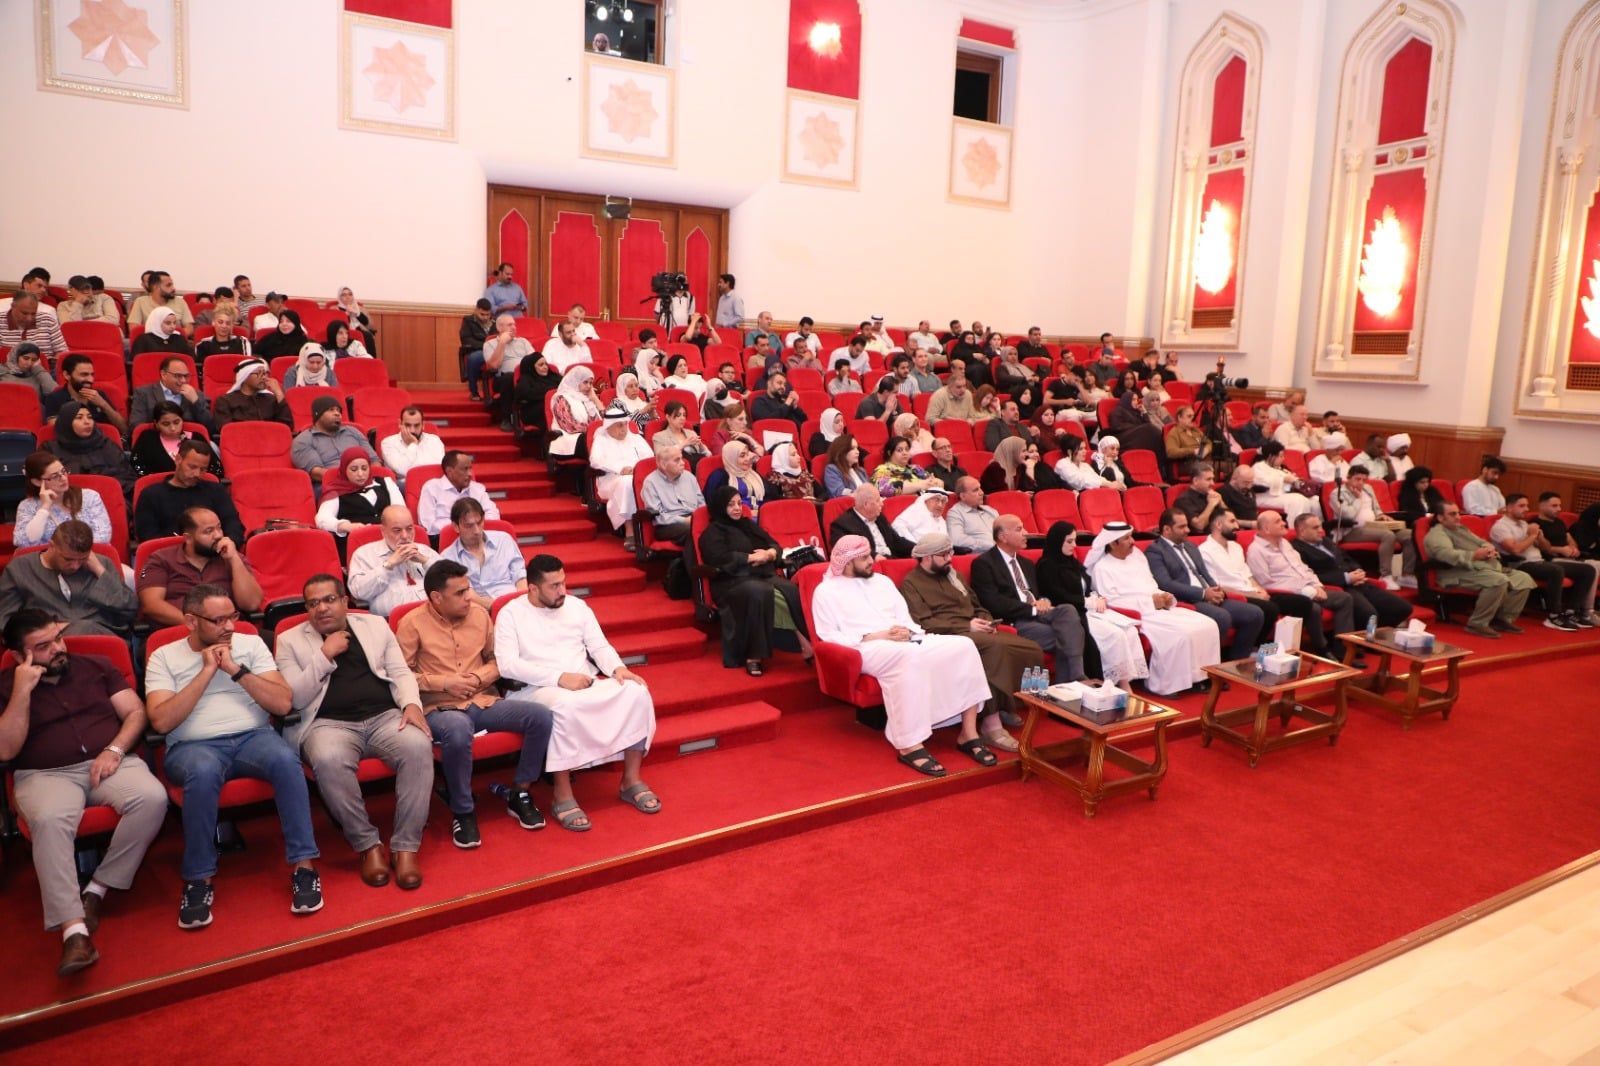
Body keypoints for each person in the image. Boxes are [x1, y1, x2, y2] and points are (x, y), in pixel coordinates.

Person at [0, 608, 167, 977]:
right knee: (49, 820)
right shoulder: (5, 686)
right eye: (43, 646)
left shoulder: (97, 666)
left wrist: (115, 749)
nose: (58, 649)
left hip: (109, 763)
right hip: (44, 774)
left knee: (153, 798)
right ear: (16, 655)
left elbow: (135, 713)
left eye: (58, 638)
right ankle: (74, 931)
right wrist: (22, 691)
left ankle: (98, 888)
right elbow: (6, 749)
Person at [144, 586, 318, 928]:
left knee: (286, 761)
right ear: (191, 622)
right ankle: (199, 879)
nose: (229, 626)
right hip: (193, 746)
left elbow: (282, 703)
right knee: (203, 772)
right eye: (218, 620)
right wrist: (207, 671)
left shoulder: (250, 644)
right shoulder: (164, 657)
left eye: (232, 617)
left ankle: (304, 867)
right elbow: (161, 721)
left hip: (254, 736)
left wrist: (235, 670)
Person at [275, 574, 433, 889]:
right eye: (313, 603)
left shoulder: (374, 625)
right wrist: (324, 656)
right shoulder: (289, 640)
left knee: (418, 746)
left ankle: (405, 846)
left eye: (329, 599)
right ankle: (367, 845)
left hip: (384, 716)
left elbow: (400, 672)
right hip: (326, 723)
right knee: (329, 760)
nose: (321, 608)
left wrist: (411, 704)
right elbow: (295, 698)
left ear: (345, 601)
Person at [495, 555, 660, 831]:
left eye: (563, 583)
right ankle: (562, 794)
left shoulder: (577, 606)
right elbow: (508, 665)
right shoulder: (510, 614)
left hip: (583, 681)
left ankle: (630, 780)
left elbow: (599, 646)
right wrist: (559, 678)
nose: (563, 591)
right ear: (532, 588)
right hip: (536, 689)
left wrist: (618, 669)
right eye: (554, 586)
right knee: (564, 706)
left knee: (636, 692)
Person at [396, 560, 554, 847]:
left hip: (482, 700)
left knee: (540, 716)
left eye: (468, 589)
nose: (469, 597)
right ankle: (463, 810)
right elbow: (400, 675)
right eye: (460, 593)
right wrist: (445, 682)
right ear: (436, 597)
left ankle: (519, 790)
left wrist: (479, 677)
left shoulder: (480, 615)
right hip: (439, 707)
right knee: (457, 729)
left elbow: (498, 660)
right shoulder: (411, 623)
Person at [810, 536, 996, 775]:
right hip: (864, 648)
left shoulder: (883, 582)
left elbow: (905, 619)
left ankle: (968, 733)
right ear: (847, 562)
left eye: (870, 555)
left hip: (904, 639)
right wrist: (879, 636)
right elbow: (829, 636)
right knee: (908, 657)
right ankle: (909, 744)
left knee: (963, 646)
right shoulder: (825, 592)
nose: (871, 561)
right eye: (864, 558)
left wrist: (906, 631)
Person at [900, 531, 1039, 749]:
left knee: (1030, 648)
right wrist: (967, 626)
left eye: (950, 553)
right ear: (927, 557)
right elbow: (924, 622)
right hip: (949, 635)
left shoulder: (952, 575)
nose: (950, 559)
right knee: (994, 649)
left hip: (975, 628)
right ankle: (991, 724)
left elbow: (977, 605)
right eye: (944, 555)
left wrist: (986, 621)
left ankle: (1006, 703)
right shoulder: (911, 583)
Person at [1086, 522, 1221, 695]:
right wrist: (1150, 603)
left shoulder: (1137, 557)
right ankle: (1167, 685)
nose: (1133, 541)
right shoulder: (1102, 568)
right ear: (1113, 543)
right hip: (1138, 616)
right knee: (1180, 634)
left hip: (1160, 608)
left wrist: (1164, 597)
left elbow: (1152, 585)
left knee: (1208, 624)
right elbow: (1113, 602)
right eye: (1126, 538)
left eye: (1131, 536)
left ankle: (1203, 677)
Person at [697, 486, 811, 675]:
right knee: (761, 592)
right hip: (731, 582)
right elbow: (717, 558)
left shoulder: (747, 525)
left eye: (739, 503)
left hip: (762, 575)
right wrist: (749, 558)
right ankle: (754, 655)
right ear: (720, 506)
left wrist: (770, 553)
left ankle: (804, 642)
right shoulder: (713, 532)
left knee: (791, 590)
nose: (737, 508)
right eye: (731, 504)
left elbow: (774, 544)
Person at [969, 514, 1090, 684]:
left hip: (1038, 612)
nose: (1026, 533)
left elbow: (1037, 594)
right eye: (1019, 529)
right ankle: (1071, 682)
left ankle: (1072, 680)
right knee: (1068, 634)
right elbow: (993, 602)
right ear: (1003, 537)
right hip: (1016, 619)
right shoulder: (984, 563)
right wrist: (1031, 609)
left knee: (1068, 610)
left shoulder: (1026, 563)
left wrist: (1044, 601)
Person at [1035, 521, 1150, 689]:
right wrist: (1088, 602)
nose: (1074, 545)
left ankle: (1123, 684)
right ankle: (1120, 686)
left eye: (1075, 540)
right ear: (1057, 541)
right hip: (1072, 616)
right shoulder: (1046, 566)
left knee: (1130, 631)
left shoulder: (1072, 562)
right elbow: (1058, 596)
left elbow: (1086, 586)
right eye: (1069, 541)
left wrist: (1097, 597)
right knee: (1115, 635)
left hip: (1089, 610)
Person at [1145, 509, 1265, 659]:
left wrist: (1215, 589)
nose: (1188, 530)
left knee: (1255, 614)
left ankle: (1236, 662)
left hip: (1207, 594)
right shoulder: (1155, 551)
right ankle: (1208, 665)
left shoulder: (1190, 546)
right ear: (1167, 529)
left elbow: (1204, 573)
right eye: (1181, 527)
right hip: (1187, 600)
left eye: (1187, 525)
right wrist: (1202, 594)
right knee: (1222, 617)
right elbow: (1166, 584)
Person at [0, 515, 136, 636]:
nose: (75, 566)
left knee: (85, 628)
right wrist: (46, 631)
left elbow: (130, 609)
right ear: (52, 546)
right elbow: (4, 621)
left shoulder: (101, 564)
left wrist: (100, 571)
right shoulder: (20, 569)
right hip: (46, 643)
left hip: (99, 637)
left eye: (82, 559)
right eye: (68, 559)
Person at [1246, 510, 1357, 656]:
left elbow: (1303, 568)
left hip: (1309, 587)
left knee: (1345, 598)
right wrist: (1303, 590)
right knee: (1312, 607)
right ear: (1266, 528)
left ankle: (1343, 651)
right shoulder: (1256, 551)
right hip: (1287, 595)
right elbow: (1265, 584)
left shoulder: (1285, 543)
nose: (1284, 523)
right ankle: (1322, 649)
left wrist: (1316, 585)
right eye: (1278, 521)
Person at [1423, 503, 1536, 638]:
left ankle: (1501, 619)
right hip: (1456, 572)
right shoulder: (1437, 534)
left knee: (1524, 578)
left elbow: (1482, 542)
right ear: (1440, 518)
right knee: (1499, 580)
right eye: (1452, 514)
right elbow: (1446, 555)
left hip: (1484, 568)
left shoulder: (1460, 529)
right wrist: (1475, 555)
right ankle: (1477, 623)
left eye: (1458, 513)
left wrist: (1489, 549)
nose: (1458, 517)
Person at [137, 507, 263, 626]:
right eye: (209, 531)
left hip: (228, 630)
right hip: (179, 631)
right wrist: (198, 626)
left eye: (219, 528)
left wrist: (234, 558)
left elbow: (251, 604)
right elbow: (152, 605)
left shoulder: (232, 557)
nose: (218, 535)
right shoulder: (161, 559)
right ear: (188, 538)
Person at [1490, 493, 1597, 631]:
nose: (1526, 509)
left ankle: (1572, 612)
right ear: (1509, 508)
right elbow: (1515, 550)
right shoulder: (1501, 527)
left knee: (1587, 570)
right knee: (1555, 570)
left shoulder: (1524, 524)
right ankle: (1554, 615)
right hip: (1520, 564)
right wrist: (1532, 535)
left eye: (1527, 505)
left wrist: (1540, 538)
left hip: (1540, 561)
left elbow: (1547, 549)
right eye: (1521, 506)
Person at [1293, 513, 1414, 630]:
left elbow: (1346, 557)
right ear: (1302, 531)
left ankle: (1374, 634)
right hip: (1338, 587)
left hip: (1358, 582)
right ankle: (1362, 639)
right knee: (1369, 614)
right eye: (1315, 528)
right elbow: (1311, 577)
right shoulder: (1296, 550)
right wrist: (1347, 578)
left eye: (1320, 526)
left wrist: (1358, 571)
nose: (1321, 530)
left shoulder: (1325, 541)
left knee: (1403, 608)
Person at [348, 505, 441, 617]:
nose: (405, 536)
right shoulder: (364, 554)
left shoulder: (425, 551)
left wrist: (425, 561)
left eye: (409, 529)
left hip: (434, 617)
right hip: (391, 621)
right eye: (397, 530)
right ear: (383, 531)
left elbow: (451, 582)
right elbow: (358, 592)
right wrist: (388, 565)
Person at [1327, 466, 1413, 584]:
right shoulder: (1337, 493)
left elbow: (1376, 508)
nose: (1361, 483)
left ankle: (1407, 574)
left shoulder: (1368, 488)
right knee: (1388, 535)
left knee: (1409, 534)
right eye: (1357, 479)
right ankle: (1386, 576)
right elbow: (1347, 515)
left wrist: (1381, 516)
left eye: (1364, 480)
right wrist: (1357, 499)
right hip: (1352, 530)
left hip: (1374, 526)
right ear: (1348, 478)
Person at [14, 452, 114, 548]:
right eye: (55, 476)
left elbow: (103, 536)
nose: (63, 478)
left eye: (63, 471)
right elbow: (24, 543)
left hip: (91, 556)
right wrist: (44, 509)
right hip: (50, 560)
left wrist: (70, 551)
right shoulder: (27, 507)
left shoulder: (89, 497)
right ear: (37, 482)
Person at [438, 497, 525, 604]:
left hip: (515, 602)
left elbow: (521, 577)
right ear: (456, 526)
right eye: (469, 526)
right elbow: (467, 595)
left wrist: (522, 603)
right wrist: (497, 606)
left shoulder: (504, 540)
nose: (477, 531)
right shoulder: (448, 558)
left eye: (479, 523)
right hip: (478, 608)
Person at [590, 404, 653, 548]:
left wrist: (638, 470)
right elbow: (595, 461)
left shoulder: (636, 438)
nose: (624, 429)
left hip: (638, 476)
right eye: (619, 425)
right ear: (609, 426)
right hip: (611, 479)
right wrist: (620, 469)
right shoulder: (601, 440)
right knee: (626, 483)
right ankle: (630, 532)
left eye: (625, 424)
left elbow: (650, 458)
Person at [1533, 493, 1599, 624]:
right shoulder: (1535, 523)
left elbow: (1569, 538)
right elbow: (1544, 548)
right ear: (1542, 506)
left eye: (1559, 505)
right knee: (1590, 568)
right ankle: (1586, 611)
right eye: (1554, 506)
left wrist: (1573, 548)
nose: (1559, 509)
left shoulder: (1559, 522)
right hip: (1550, 560)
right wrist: (1561, 550)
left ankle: (1573, 611)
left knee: (1594, 565)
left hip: (1568, 558)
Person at [45, 401, 135, 495]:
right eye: (79, 417)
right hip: (66, 498)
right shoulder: (50, 449)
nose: (87, 422)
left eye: (90, 417)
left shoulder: (107, 445)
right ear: (66, 421)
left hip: (109, 497)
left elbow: (127, 478)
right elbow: (45, 482)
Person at [314, 447, 401, 536]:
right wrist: (347, 526)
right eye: (354, 469)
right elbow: (322, 519)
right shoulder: (335, 491)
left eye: (364, 468)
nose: (360, 474)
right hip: (356, 539)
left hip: (389, 537)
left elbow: (401, 511)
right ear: (344, 470)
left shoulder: (386, 482)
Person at [292, 395, 376, 486]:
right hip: (330, 485)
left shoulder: (353, 431)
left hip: (364, 480)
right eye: (331, 410)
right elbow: (317, 473)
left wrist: (365, 477)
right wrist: (351, 478)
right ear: (318, 415)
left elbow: (374, 460)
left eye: (338, 410)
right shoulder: (303, 440)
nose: (337, 413)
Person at [417, 450, 501, 537]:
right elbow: (428, 525)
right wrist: (463, 527)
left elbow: (493, 513)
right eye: (464, 469)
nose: (470, 474)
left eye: (470, 468)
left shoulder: (477, 488)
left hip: (477, 535)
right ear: (449, 471)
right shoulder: (431, 488)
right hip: (442, 538)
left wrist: (475, 526)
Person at [44, 353, 129, 435]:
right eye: (84, 375)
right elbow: (55, 430)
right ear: (67, 375)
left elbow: (124, 429)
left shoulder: (99, 395)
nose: (90, 379)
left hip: (104, 442)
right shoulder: (54, 398)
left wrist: (103, 405)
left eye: (92, 375)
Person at [639, 445, 702, 547]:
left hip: (693, 518)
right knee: (692, 530)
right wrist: (685, 520)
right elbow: (658, 516)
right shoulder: (651, 482)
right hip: (668, 525)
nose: (683, 463)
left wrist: (699, 518)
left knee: (718, 526)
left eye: (682, 458)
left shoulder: (689, 477)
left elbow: (701, 503)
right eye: (677, 460)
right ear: (663, 464)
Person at [130, 354, 213, 430]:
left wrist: (195, 402)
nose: (183, 380)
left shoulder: (196, 395)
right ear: (163, 375)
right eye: (178, 376)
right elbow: (136, 426)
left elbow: (210, 428)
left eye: (186, 376)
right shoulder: (144, 393)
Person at [831, 483, 913, 559]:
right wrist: (874, 556)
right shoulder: (842, 525)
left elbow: (896, 540)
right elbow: (850, 551)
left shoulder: (879, 516)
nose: (882, 504)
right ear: (866, 504)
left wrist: (915, 549)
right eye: (877, 500)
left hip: (892, 559)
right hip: (872, 564)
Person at [482, 315, 534, 430]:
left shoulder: (523, 341)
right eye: (510, 325)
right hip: (503, 378)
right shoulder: (489, 344)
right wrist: (502, 343)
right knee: (509, 377)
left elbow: (534, 361)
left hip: (525, 376)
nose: (514, 327)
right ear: (499, 328)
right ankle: (506, 418)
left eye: (514, 324)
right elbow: (493, 366)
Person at [212, 359, 292, 428]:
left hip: (270, 439)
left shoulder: (271, 399)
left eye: (264, 373)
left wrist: (278, 393)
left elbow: (287, 427)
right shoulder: (225, 401)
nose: (264, 377)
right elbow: (226, 430)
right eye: (258, 373)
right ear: (244, 376)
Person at [1251, 441, 1318, 523]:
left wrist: (1294, 482)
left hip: (1281, 495)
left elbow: (1290, 483)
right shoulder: (1258, 467)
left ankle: (1315, 526)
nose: (1283, 459)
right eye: (1281, 456)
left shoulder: (1280, 468)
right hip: (1265, 496)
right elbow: (1261, 483)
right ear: (1270, 456)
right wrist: (1283, 479)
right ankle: (1297, 528)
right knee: (1297, 500)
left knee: (1315, 500)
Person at [704, 437, 773, 516]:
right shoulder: (719, 476)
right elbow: (716, 506)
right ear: (732, 458)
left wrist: (762, 512)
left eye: (747, 454)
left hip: (761, 516)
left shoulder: (754, 474)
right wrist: (747, 513)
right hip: (737, 519)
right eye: (742, 456)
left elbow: (771, 497)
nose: (747, 459)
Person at [379, 406, 445, 488]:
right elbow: (402, 470)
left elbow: (438, 467)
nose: (412, 430)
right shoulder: (388, 443)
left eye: (416, 425)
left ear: (423, 425)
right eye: (408, 425)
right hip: (405, 485)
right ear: (400, 424)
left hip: (432, 483)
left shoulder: (434, 440)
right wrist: (413, 444)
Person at [549, 365, 601, 458]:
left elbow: (599, 422)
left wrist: (595, 399)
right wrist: (592, 430)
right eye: (585, 382)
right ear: (575, 381)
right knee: (596, 441)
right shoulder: (561, 398)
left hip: (585, 436)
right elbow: (570, 427)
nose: (589, 386)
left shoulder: (585, 399)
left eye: (590, 383)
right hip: (568, 439)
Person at [0, 292, 69, 360]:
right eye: (24, 313)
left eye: (33, 314)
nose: (29, 318)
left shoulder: (47, 319)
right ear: (13, 306)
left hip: (46, 365)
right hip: (8, 366)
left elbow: (62, 351)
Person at [946, 476, 999, 554]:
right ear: (963, 496)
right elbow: (957, 539)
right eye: (975, 490)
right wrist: (990, 545)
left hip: (1002, 552)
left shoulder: (990, 510)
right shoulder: (955, 513)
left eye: (980, 488)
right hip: (982, 555)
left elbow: (1003, 530)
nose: (982, 493)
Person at [652, 399, 710, 468]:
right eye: (678, 415)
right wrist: (684, 444)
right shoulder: (659, 436)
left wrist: (701, 446)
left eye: (684, 415)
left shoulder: (691, 433)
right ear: (668, 417)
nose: (682, 418)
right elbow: (660, 456)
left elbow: (708, 455)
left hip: (697, 467)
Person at [515, 352, 563, 432]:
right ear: (532, 367)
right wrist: (550, 392)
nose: (545, 367)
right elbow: (526, 394)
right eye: (541, 365)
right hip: (533, 411)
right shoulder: (526, 379)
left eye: (546, 364)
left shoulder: (553, 376)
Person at [1164, 405, 1212, 478]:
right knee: (1216, 466)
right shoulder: (1174, 433)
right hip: (1186, 464)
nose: (1193, 419)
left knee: (1226, 464)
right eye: (1189, 416)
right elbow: (1171, 452)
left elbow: (1208, 442)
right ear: (1179, 417)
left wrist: (1207, 449)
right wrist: (1193, 451)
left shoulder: (1196, 430)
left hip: (1204, 460)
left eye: (1193, 416)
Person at [56, 274, 121, 328]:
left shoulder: (104, 298)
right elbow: (70, 328)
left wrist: (82, 324)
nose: (89, 294)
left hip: (104, 333)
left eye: (89, 289)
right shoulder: (63, 306)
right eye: (82, 291)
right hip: (80, 337)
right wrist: (78, 303)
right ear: (72, 291)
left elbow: (113, 320)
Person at [459, 299, 494, 398]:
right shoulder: (468, 321)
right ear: (476, 310)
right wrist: (486, 345)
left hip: (495, 350)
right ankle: (474, 391)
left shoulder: (495, 321)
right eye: (482, 314)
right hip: (478, 350)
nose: (485, 317)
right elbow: (466, 340)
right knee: (474, 358)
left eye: (488, 315)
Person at [821, 433, 870, 500]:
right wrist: (858, 494)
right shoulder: (832, 469)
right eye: (852, 448)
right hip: (849, 505)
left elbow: (870, 490)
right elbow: (839, 491)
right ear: (842, 451)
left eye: (857, 448)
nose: (857, 452)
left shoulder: (861, 471)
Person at [1219, 461, 1261, 528]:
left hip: (1254, 527)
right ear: (1234, 478)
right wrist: (1251, 524)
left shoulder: (1247, 489)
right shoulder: (1224, 493)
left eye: (1251, 482)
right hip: (1238, 529)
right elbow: (1226, 520)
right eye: (1246, 483)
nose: (1249, 486)